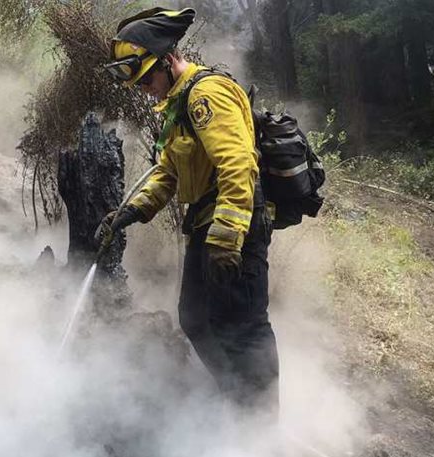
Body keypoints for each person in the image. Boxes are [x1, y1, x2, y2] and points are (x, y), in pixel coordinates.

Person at [100, 7, 279, 413]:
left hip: (236, 225)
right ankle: (236, 400)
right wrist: (131, 212)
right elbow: (168, 172)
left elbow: (238, 165)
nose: (145, 89)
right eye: (138, 83)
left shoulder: (205, 96)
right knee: (195, 319)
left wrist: (227, 239)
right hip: (205, 224)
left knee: (244, 327)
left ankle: (262, 425)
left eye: (147, 79)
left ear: (168, 60)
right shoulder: (178, 104)